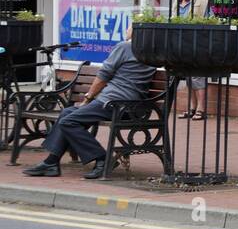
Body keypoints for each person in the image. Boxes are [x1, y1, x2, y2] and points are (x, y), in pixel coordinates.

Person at [22, 29, 154, 180]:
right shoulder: (149, 51)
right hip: (130, 105)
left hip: (115, 102)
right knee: (67, 113)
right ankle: (51, 162)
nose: (126, 30)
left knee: (69, 121)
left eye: (129, 27)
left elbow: (103, 75)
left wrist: (88, 99)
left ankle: (103, 159)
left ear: (135, 31)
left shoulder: (125, 47)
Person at [176, 0, 211, 121]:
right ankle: (191, 108)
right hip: (182, 46)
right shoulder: (176, 2)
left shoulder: (203, 0)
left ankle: (201, 109)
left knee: (198, 76)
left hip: (198, 44)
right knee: (188, 78)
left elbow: (210, 20)